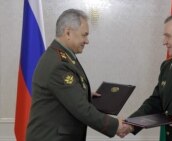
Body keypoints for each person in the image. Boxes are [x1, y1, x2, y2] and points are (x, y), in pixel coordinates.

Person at [26, 9, 126, 141]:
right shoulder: (59, 64)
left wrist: (83, 93)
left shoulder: (61, 56)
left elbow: (63, 94)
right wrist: (115, 125)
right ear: (68, 32)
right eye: (84, 35)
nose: (87, 41)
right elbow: (81, 108)